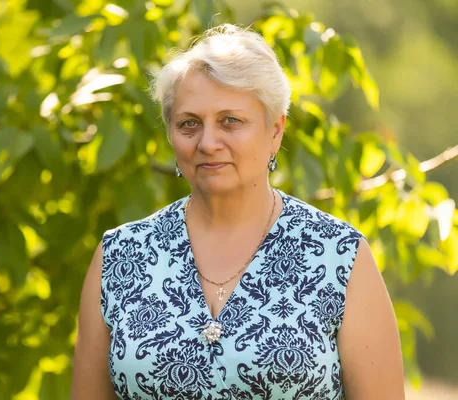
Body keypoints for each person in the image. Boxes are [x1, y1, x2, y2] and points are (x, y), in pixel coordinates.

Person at [72, 24, 404, 399]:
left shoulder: (338, 255)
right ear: (170, 135)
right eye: (189, 124)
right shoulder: (120, 256)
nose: (208, 142)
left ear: (275, 131)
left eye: (231, 121)